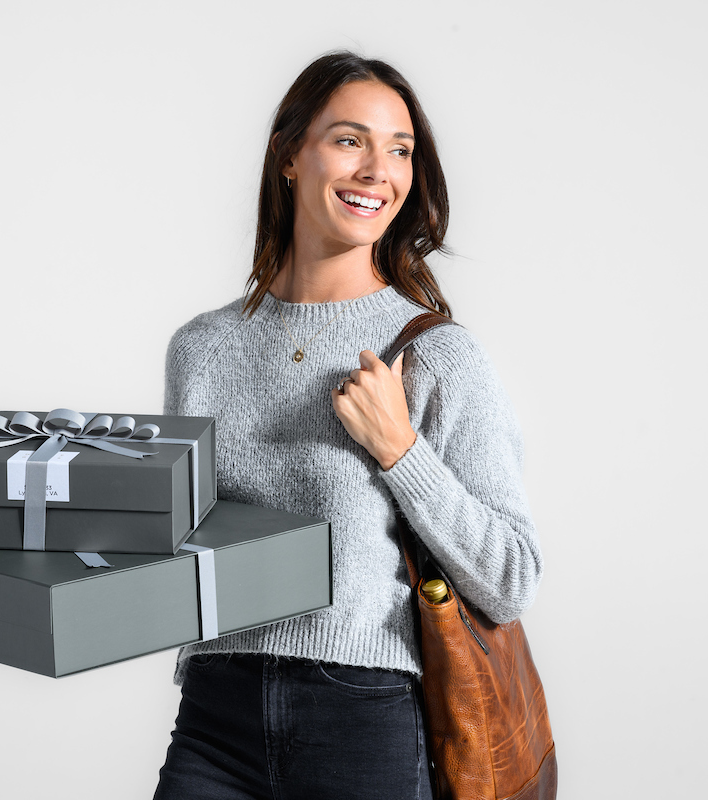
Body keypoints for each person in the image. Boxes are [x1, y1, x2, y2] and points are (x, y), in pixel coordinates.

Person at [153, 51, 543, 800]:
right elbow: (186, 548)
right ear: (289, 154)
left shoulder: (434, 354)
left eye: (399, 150)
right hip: (214, 713)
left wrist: (402, 451)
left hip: (361, 718)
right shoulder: (200, 349)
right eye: (349, 140)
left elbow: (511, 577)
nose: (378, 170)